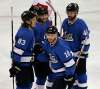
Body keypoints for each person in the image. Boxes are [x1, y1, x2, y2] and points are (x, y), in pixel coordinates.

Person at [61, 3, 90, 89]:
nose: (70, 14)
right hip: (67, 56)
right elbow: (63, 38)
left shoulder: (81, 24)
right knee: (70, 78)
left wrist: (83, 55)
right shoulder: (64, 22)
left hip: (78, 55)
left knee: (81, 75)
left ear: (76, 12)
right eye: (69, 12)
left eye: (72, 12)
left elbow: (86, 41)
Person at [9, 10, 37, 89]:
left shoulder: (28, 30)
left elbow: (26, 47)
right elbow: (18, 51)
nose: (35, 21)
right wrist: (16, 65)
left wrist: (34, 50)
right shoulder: (25, 33)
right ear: (28, 21)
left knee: (28, 84)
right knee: (24, 86)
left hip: (27, 65)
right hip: (22, 66)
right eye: (34, 20)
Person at [31, 5, 53, 89]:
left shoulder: (49, 22)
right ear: (38, 15)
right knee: (41, 77)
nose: (44, 17)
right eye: (41, 15)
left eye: (45, 15)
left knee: (52, 75)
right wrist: (34, 47)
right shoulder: (34, 26)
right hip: (39, 57)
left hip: (50, 55)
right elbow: (30, 40)